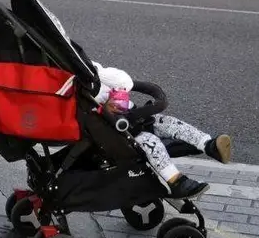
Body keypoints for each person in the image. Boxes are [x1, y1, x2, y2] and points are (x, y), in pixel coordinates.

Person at [95, 63, 232, 199]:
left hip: (135, 117)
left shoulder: (97, 74)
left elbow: (112, 77)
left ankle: (209, 145)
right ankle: (176, 182)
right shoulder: (90, 98)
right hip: (120, 133)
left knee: (169, 122)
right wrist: (107, 109)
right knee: (152, 143)